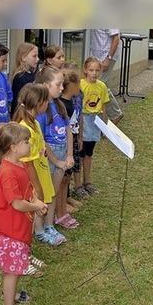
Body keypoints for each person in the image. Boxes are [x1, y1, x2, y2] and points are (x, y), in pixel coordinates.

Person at [0, 123, 47, 305]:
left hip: (18, 229)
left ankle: (10, 294)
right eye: (25, 141)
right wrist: (36, 207)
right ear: (13, 147)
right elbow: (17, 204)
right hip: (10, 232)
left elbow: (27, 192)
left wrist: (37, 202)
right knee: (12, 271)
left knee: (12, 268)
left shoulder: (19, 164)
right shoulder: (7, 173)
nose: (29, 144)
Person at [12, 83, 64, 249]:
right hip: (33, 175)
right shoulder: (25, 127)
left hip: (41, 169)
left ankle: (45, 229)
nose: (48, 104)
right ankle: (39, 232)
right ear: (39, 103)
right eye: (46, 101)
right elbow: (27, 163)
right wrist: (36, 187)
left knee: (46, 199)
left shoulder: (33, 122)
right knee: (39, 201)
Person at [36, 66, 79, 230]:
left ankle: (50, 225)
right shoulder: (41, 109)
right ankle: (41, 228)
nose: (62, 88)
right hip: (49, 158)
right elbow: (41, 140)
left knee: (53, 192)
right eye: (58, 84)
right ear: (46, 85)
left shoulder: (60, 105)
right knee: (46, 193)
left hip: (62, 157)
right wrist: (57, 161)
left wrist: (69, 155)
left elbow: (68, 130)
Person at [79, 56, 109, 196]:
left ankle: (88, 181)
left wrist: (105, 126)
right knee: (80, 152)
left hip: (95, 120)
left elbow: (103, 105)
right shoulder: (81, 84)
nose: (94, 73)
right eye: (91, 70)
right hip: (83, 120)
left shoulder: (102, 86)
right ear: (85, 70)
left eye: (97, 70)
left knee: (89, 153)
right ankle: (78, 184)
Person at [59, 65, 85, 216]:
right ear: (72, 86)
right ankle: (61, 207)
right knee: (63, 176)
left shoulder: (71, 101)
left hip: (73, 139)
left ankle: (65, 202)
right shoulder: (62, 104)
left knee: (68, 175)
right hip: (64, 144)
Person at [89, 29, 123, 124]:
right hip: (97, 57)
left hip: (105, 57)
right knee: (103, 86)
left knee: (98, 85)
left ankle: (113, 114)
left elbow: (116, 38)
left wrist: (108, 59)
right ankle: (114, 114)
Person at [10, 42, 39, 116]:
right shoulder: (20, 77)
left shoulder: (30, 73)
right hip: (22, 115)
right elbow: (19, 102)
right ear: (24, 58)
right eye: (34, 56)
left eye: (37, 56)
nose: (37, 59)